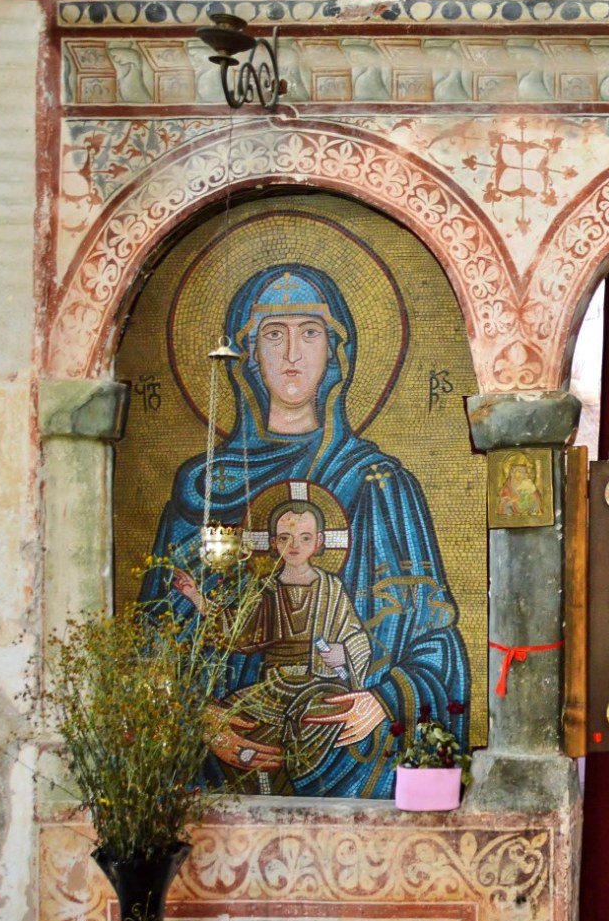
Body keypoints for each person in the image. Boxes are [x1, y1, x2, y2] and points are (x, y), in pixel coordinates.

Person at [142, 264, 469, 799]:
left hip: (352, 740)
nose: (292, 354)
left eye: (310, 332)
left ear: (336, 353)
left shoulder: (380, 485)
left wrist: (384, 700)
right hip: (232, 747)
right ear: (247, 354)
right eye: (274, 334)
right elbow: (153, 637)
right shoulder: (202, 489)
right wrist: (200, 719)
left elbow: (436, 637)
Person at [176, 499, 374, 795]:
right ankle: (269, 795)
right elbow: (237, 631)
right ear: (273, 542)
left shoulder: (331, 588)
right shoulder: (266, 587)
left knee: (321, 720)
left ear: (319, 541)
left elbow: (356, 636)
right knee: (230, 721)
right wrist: (196, 597)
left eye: (305, 537)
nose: (295, 545)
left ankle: (294, 794)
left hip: (317, 685)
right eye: (285, 538)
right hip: (273, 686)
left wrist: (343, 653)